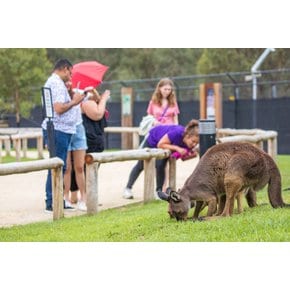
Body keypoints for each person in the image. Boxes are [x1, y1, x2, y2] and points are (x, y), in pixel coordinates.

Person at [42, 59, 84, 212]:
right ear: (65, 69)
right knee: (56, 165)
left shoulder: (57, 83)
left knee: (61, 165)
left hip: (62, 130)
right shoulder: (56, 83)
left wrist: (71, 94)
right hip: (58, 130)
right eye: (70, 73)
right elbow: (59, 108)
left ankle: (57, 200)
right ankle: (52, 201)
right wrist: (75, 101)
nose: (71, 76)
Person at [123, 119, 199, 199]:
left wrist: (192, 155)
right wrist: (177, 148)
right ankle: (127, 189)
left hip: (165, 146)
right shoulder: (177, 133)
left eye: (196, 143)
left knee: (160, 165)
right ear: (187, 136)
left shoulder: (188, 145)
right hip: (153, 140)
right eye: (193, 141)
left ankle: (158, 192)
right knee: (140, 165)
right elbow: (160, 144)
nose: (194, 144)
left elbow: (182, 158)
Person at [145, 77, 180, 191]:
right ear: (159, 88)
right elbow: (149, 117)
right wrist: (154, 122)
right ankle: (160, 186)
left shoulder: (173, 102)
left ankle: (167, 186)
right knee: (159, 162)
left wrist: (177, 133)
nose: (167, 91)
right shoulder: (153, 102)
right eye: (165, 89)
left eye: (169, 89)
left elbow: (175, 120)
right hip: (158, 133)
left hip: (170, 133)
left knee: (168, 160)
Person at [63, 81, 88, 211]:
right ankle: (65, 197)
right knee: (66, 167)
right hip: (65, 129)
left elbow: (95, 98)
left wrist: (91, 91)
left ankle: (83, 198)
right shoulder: (60, 94)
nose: (68, 83)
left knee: (79, 167)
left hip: (78, 129)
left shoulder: (79, 92)